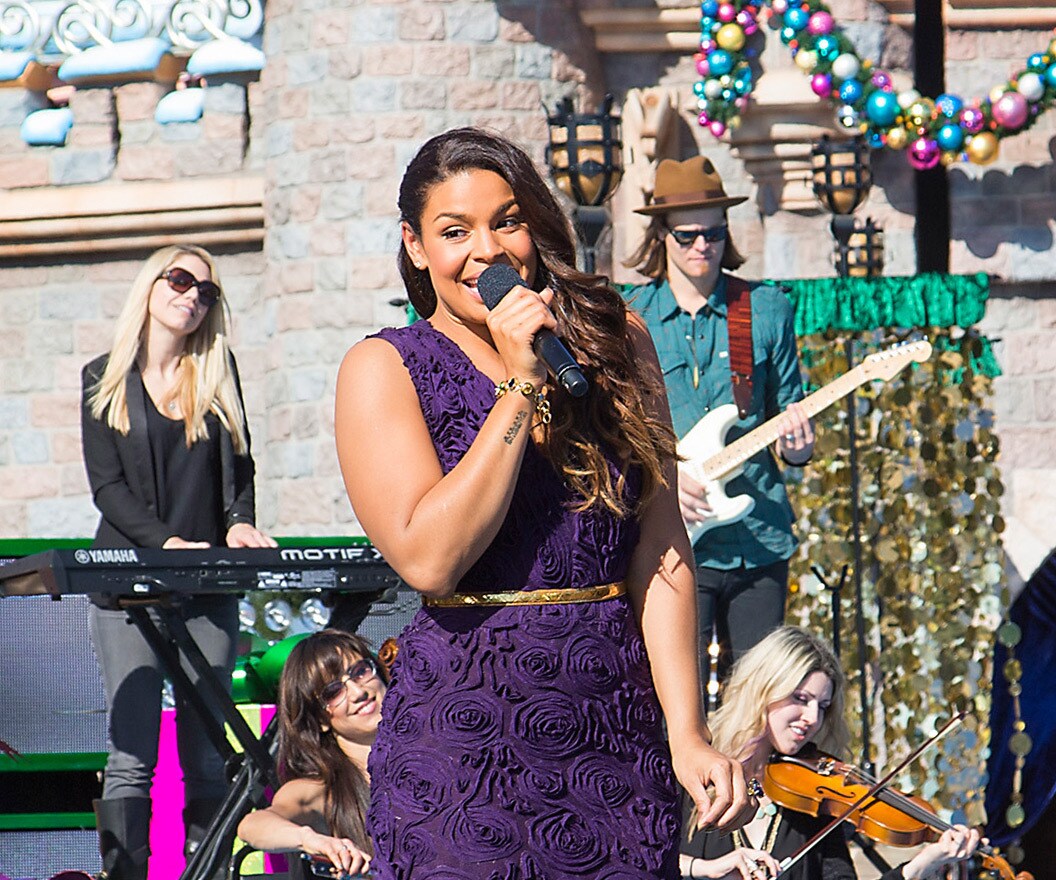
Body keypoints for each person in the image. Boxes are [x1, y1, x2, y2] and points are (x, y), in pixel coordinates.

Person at [334, 127, 753, 880]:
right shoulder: (385, 366)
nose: (488, 250)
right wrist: (521, 387)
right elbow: (429, 558)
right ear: (416, 245)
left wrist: (687, 732)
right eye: (454, 231)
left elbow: (659, 547)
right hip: (463, 743)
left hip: (611, 733)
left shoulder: (614, 339)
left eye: (507, 220)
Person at [80, 244, 275, 880]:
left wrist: (240, 522)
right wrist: (164, 543)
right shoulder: (101, 377)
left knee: (209, 750)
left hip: (206, 585)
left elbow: (238, 469)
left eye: (207, 292)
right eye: (181, 279)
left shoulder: (218, 372)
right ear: (152, 285)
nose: (192, 296)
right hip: (126, 587)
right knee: (133, 749)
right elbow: (107, 489)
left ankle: (208, 871)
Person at [624, 157, 815, 681]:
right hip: (668, 538)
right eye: (686, 235)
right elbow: (617, 433)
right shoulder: (629, 316)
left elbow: (789, 422)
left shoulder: (766, 307)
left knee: (756, 699)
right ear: (660, 235)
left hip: (758, 535)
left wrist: (798, 445)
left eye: (713, 233)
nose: (702, 247)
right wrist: (664, 477)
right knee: (672, 699)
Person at [680, 626, 983, 880]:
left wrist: (926, 861)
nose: (813, 718)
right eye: (800, 698)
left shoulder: (815, 799)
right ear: (763, 689)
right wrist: (706, 868)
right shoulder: (695, 764)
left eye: (822, 706)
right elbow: (637, 854)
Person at [236, 630, 383, 878]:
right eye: (333, 692)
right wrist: (310, 839)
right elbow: (253, 825)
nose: (359, 693)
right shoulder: (320, 787)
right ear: (319, 719)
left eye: (360, 672)